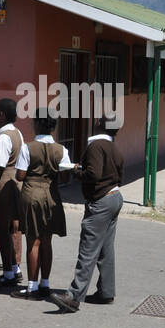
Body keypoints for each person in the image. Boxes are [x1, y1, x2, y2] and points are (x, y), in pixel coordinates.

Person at [52, 119, 124, 313]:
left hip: (101, 200)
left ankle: (74, 296)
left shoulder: (95, 146)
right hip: (114, 196)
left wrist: (76, 171)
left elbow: (93, 174)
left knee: (88, 249)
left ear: (100, 124)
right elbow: (119, 174)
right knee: (105, 249)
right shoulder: (113, 147)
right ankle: (106, 292)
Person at [12, 110, 74, 299]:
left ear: (37, 124)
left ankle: (32, 287)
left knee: (33, 241)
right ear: (53, 127)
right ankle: (45, 283)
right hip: (52, 194)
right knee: (47, 241)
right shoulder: (62, 150)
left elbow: (20, 176)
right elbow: (65, 175)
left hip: (31, 193)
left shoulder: (27, 147)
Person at [0, 98, 23, 286]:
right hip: (13, 183)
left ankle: (9, 272)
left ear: (1, 114)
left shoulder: (3, 137)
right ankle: (14, 267)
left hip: (3, 186)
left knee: (2, 229)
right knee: (11, 228)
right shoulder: (16, 132)